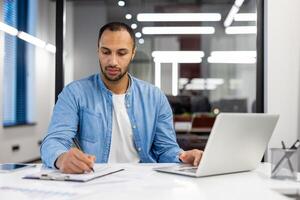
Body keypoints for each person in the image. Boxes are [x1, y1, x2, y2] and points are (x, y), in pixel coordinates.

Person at [41, 22, 202, 174]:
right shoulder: (74, 93)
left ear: (132, 53)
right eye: (106, 52)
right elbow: (53, 142)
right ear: (98, 50)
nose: (112, 61)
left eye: (121, 53)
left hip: (143, 182)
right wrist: (62, 158)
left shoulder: (154, 97)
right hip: (93, 181)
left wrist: (183, 156)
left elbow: (166, 149)